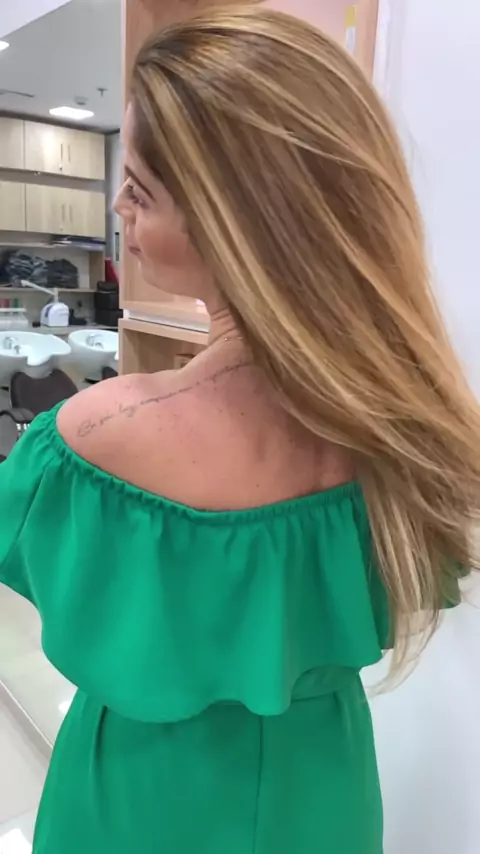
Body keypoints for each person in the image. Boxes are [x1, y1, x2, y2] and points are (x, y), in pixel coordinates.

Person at [0, 6, 479, 853]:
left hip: (138, 802)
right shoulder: (413, 437)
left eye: (139, 188)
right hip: (323, 795)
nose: (116, 205)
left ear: (233, 220)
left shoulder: (90, 442)